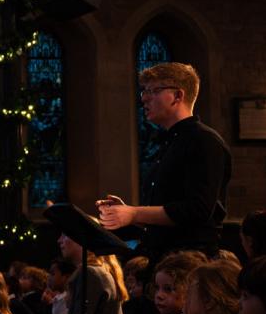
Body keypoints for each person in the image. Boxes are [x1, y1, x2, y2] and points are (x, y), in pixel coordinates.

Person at [97, 61, 231, 261]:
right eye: (144, 91)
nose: (144, 99)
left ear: (178, 96)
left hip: (190, 260)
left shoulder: (204, 141)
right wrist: (128, 213)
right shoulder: (170, 141)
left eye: (153, 91)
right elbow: (170, 214)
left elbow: (197, 210)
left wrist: (134, 213)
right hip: (163, 256)